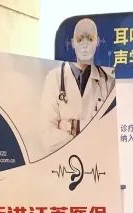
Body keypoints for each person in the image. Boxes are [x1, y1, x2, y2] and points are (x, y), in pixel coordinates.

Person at [42, 17, 115, 153]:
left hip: (98, 161)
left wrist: (71, 127)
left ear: (97, 42)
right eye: (80, 39)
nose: (85, 45)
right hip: (65, 162)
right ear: (73, 43)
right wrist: (89, 136)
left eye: (90, 39)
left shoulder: (108, 83)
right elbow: (46, 137)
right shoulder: (54, 78)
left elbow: (110, 132)